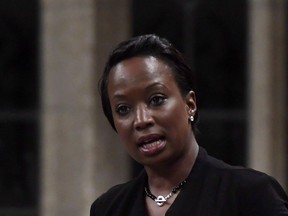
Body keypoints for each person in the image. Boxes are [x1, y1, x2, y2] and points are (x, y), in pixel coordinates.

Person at [90, 34, 288, 216]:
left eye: (156, 99)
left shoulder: (250, 194)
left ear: (190, 105)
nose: (142, 120)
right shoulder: (109, 208)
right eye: (123, 109)